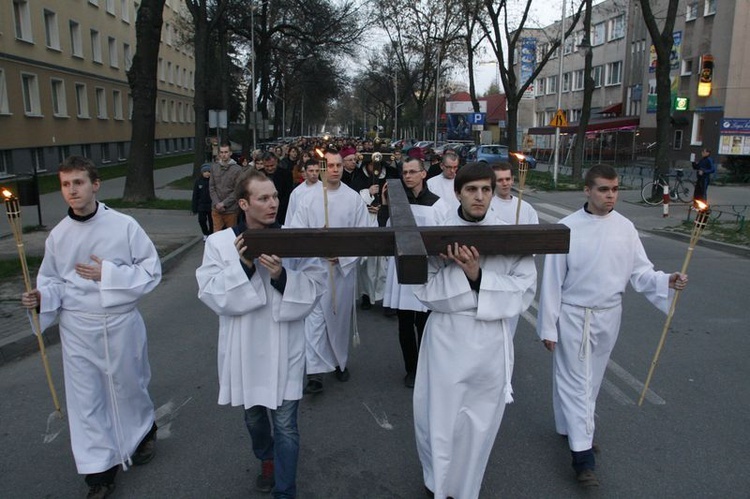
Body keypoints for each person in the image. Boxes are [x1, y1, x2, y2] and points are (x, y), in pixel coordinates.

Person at [536, 164, 689, 488]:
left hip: (609, 315)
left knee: (591, 382)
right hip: (574, 314)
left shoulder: (626, 228)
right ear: (587, 191)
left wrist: (667, 280)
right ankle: (583, 458)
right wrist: (548, 326)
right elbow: (551, 282)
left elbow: (642, 273)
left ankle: (571, 428)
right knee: (576, 382)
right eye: (604, 189)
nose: (611, 196)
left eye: (615, 189)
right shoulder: (567, 228)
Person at [21, 156, 161, 499]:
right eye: (66, 184)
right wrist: (40, 297)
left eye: (79, 183)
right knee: (87, 400)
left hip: (119, 322)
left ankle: (142, 432)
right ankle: (99, 471)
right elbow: (53, 281)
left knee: (128, 386)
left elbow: (151, 269)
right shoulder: (59, 236)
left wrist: (108, 275)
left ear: (95, 185)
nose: (72, 190)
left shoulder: (124, 226)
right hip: (77, 327)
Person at [197, 170, 325, 499]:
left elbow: (315, 286)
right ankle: (266, 456)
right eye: (263, 198)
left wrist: (282, 275)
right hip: (244, 348)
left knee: (286, 425)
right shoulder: (219, 243)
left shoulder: (294, 241)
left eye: (275, 197)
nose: (273, 204)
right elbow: (211, 294)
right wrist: (245, 267)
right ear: (243, 203)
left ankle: (286, 491)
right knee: (254, 419)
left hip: (284, 346)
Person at [413, 163, 537, 499]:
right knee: (440, 420)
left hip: (489, 341)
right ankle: (437, 484)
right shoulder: (438, 235)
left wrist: (478, 276)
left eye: (485, 189)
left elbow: (525, 288)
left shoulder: (509, 233)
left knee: (478, 424)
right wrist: (463, 275)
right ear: (457, 193)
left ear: (493, 193)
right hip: (447, 338)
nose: (479, 196)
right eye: (471, 190)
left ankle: (466, 489)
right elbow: (423, 289)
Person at [289, 149, 372, 394]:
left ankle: (338, 361)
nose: (335, 169)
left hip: (340, 272)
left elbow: (362, 235)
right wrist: (317, 244)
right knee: (314, 320)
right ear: (323, 168)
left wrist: (343, 256)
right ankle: (315, 373)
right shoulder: (308, 199)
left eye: (338, 165)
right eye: (330, 165)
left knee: (337, 320)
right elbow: (297, 232)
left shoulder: (353, 198)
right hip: (314, 269)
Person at [378, 157, 440, 388]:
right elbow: (383, 230)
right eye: (405, 172)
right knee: (404, 323)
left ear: (423, 174)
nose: (408, 176)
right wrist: (385, 204)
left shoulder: (437, 203)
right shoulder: (397, 200)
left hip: (426, 268)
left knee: (424, 323)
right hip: (402, 268)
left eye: (413, 172)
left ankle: (426, 366)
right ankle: (411, 369)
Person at [350, 155, 389, 310]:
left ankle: (385, 298)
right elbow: (352, 199)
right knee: (367, 264)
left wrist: (384, 206)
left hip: (384, 221)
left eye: (378, 165)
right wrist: (367, 193)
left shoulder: (390, 175)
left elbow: (398, 196)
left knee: (384, 264)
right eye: (373, 165)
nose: (376, 169)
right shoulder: (359, 177)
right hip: (367, 221)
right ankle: (366, 295)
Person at [490, 161, 539, 226]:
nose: (505, 183)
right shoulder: (487, 207)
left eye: (507, 179)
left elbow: (535, 232)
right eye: (500, 180)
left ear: (512, 180)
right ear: (492, 182)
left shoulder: (527, 208)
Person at [209, 142, 242, 232]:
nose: (224, 155)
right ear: (219, 153)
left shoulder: (237, 169)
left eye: (226, 152)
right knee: (217, 235)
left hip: (231, 209)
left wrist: (224, 203)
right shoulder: (214, 167)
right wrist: (217, 204)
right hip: (216, 208)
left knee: (231, 234)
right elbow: (212, 187)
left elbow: (237, 190)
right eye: (222, 152)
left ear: (230, 153)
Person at [284, 158, 322, 226]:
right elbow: (290, 214)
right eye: (311, 171)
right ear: (305, 171)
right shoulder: (297, 192)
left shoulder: (325, 189)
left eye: (317, 171)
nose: (314, 173)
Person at [263, 151, 294, 224]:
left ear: (276, 162)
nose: (270, 168)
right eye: (267, 166)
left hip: (281, 211)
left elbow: (288, 194)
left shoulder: (286, 174)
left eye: (272, 165)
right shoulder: (258, 174)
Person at [192, 164, 214, 240]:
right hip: (201, 205)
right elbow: (195, 195)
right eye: (205, 172)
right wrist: (194, 208)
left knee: (212, 221)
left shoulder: (213, 181)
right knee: (201, 220)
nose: (207, 173)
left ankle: (211, 234)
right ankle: (205, 233)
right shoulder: (198, 181)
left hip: (211, 205)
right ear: (202, 172)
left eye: (209, 171)